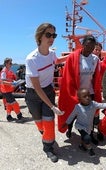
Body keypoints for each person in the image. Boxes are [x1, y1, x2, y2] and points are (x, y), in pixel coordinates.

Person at [25, 23, 66, 163]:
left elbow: (58, 61)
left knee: (48, 121)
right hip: (33, 94)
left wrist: (75, 54)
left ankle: (48, 148)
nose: (52, 38)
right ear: (40, 36)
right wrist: (53, 106)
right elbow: (36, 87)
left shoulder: (52, 54)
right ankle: (45, 134)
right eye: (48, 35)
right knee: (39, 123)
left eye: (53, 35)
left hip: (47, 91)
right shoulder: (32, 59)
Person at [58, 35, 102, 145]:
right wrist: (73, 94)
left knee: (90, 116)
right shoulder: (73, 57)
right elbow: (67, 77)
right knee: (72, 114)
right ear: (82, 44)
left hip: (89, 93)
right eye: (87, 45)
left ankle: (90, 135)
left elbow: (97, 78)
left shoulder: (95, 59)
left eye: (92, 46)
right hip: (75, 92)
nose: (90, 48)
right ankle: (69, 129)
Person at [65, 88, 106, 157]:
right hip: (80, 126)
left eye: (89, 95)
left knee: (85, 137)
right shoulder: (78, 107)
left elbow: (103, 105)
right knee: (87, 138)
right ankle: (90, 149)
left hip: (89, 126)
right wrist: (67, 123)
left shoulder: (93, 104)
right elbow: (72, 116)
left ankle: (82, 145)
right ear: (79, 99)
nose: (88, 98)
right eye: (84, 96)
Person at [0, 58, 25, 122]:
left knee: (8, 103)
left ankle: (9, 116)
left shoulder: (7, 70)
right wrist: (12, 83)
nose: (11, 64)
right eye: (10, 63)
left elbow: (7, 80)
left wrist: (13, 82)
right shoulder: (4, 71)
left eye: (11, 63)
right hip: (5, 90)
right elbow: (2, 81)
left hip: (7, 90)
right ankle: (19, 115)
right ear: (6, 64)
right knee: (14, 103)